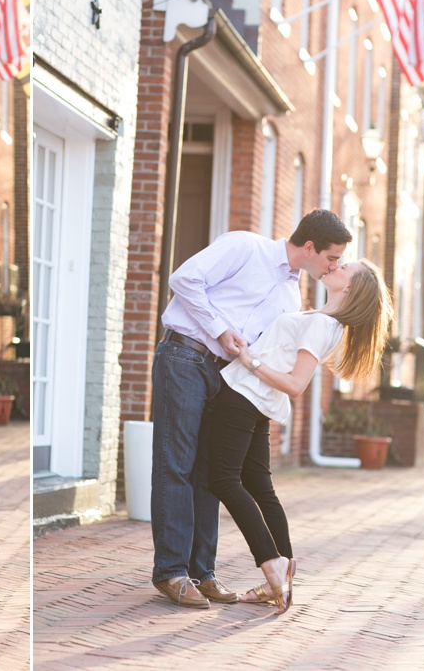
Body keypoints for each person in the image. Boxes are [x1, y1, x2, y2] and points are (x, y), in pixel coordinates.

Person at [151, 209, 353, 609]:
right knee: (177, 463)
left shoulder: (292, 296)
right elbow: (183, 280)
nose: (335, 265)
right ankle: (172, 572)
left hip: (226, 377)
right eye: (332, 257)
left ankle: (202, 573)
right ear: (310, 247)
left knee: (207, 472)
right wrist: (219, 328)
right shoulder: (245, 246)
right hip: (185, 357)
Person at [206, 259, 392, 615]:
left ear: (349, 288)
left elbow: (295, 384)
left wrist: (249, 360)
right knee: (260, 485)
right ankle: (282, 579)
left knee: (223, 479)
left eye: (344, 268)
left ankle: (270, 563)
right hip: (258, 402)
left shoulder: (323, 325)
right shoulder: (322, 320)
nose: (336, 265)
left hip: (246, 395)